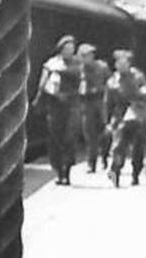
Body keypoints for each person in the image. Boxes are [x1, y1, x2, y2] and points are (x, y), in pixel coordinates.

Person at [34, 35, 83, 184]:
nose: (70, 51)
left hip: (73, 103)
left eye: (72, 49)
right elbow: (44, 83)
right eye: (67, 49)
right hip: (55, 105)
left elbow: (82, 80)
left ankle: (66, 172)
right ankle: (58, 170)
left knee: (70, 138)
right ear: (60, 49)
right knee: (55, 140)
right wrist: (40, 97)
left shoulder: (77, 64)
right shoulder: (52, 64)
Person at [105, 49, 146, 187]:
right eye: (118, 63)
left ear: (128, 63)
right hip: (120, 115)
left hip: (136, 114)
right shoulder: (112, 81)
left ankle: (135, 174)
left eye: (123, 63)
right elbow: (108, 102)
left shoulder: (138, 76)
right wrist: (108, 121)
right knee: (118, 147)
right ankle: (115, 173)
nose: (120, 66)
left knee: (138, 147)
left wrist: (143, 96)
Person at [77, 42, 111, 173]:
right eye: (84, 56)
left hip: (101, 102)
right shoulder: (79, 70)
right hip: (86, 104)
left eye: (89, 55)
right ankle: (91, 163)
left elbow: (111, 83)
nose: (87, 58)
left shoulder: (102, 67)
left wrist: (100, 89)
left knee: (105, 133)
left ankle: (105, 157)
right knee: (89, 134)